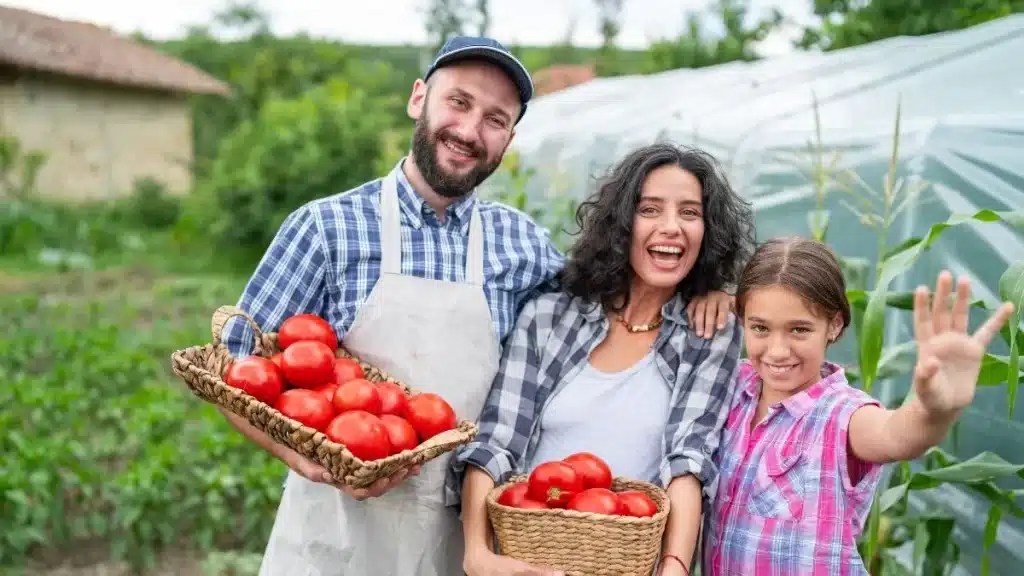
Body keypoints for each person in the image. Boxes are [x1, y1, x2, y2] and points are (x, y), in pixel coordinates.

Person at [215, 36, 736, 575]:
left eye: (494, 119)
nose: (469, 132)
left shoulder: (522, 244)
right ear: (419, 98)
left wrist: (711, 286)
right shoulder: (324, 229)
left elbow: (612, 290)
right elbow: (234, 372)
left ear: (508, 139)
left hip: (460, 535)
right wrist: (302, 458)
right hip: (337, 528)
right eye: (458, 103)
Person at [448, 142, 758, 576]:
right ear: (621, 223)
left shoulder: (707, 333)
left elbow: (690, 460)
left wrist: (674, 567)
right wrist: (478, 554)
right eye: (650, 209)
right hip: (528, 559)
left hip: (628, 563)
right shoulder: (549, 318)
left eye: (690, 213)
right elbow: (497, 443)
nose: (672, 227)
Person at [703, 236, 1016, 575]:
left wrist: (936, 410)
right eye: (760, 328)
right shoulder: (731, 390)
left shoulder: (840, 413)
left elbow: (897, 435)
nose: (777, 350)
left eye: (799, 330)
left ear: (834, 325)